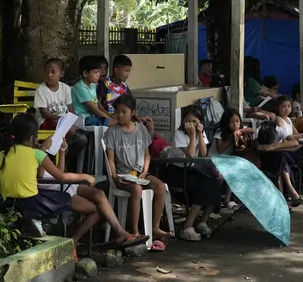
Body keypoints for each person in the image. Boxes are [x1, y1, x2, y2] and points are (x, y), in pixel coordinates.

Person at [0, 114, 141, 252]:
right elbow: (61, 177)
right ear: (32, 138)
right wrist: (84, 176)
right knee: (92, 206)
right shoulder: (36, 154)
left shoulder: (1, 155)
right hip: (36, 200)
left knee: (98, 198)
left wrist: (61, 152)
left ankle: (115, 233)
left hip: (10, 202)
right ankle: (73, 242)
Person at [105, 95, 170, 249]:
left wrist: (144, 172)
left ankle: (155, 227)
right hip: (123, 175)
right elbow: (111, 160)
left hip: (140, 174)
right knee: (136, 189)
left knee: (160, 187)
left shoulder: (140, 129)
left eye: (124, 112)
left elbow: (147, 155)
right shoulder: (112, 132)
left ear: (133, 112)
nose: (119, 115)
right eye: (117, 112)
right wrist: (114, 177)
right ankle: (134, 231)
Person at [162, 105, 224, 241]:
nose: (190, 124)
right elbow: (190, 154)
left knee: (216, 183)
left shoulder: (200, 133)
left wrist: (200, 135)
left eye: (194, 121)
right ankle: (187, 227)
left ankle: (203, 221)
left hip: (190, 170)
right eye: (188, 121)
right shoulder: (179, 134)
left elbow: (202, 153)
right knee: (203, 186)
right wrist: (192, 135)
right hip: (176, 171)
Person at [33, 58, 88, 171]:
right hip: (46, 123)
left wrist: (72, 121)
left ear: (61, 74)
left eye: (53, 72)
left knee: (82, 140)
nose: (49, 75)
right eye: (47, 72)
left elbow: (71, 110)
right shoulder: (41, 90)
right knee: (69, 131)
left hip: (63, 122)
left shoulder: (65, 88)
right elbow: (45, 114)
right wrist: (64, 121)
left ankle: (64, 161)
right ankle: (57, 164)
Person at [213, 108, 256, 210]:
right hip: (215, 159)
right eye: (232, 122)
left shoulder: (239, 130)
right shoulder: (220, 132)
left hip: (227, 160)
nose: (235, 124)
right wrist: (230, 138)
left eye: (237, 121)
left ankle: (227, 200)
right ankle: (216, 200)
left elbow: (252, 130)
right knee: (220, 177)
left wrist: (239, 131)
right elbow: (220, 150)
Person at [73, 56, 116, 127]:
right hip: (83, 118)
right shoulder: (81, 88)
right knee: (112, 123)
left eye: (99, 72)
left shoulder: (92, 85)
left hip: (92, 116)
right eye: (95, 72)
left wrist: (110, 117)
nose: (98, 75)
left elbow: (97, 104)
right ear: (85, 74)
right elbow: (94, 109)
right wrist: (109, 119)